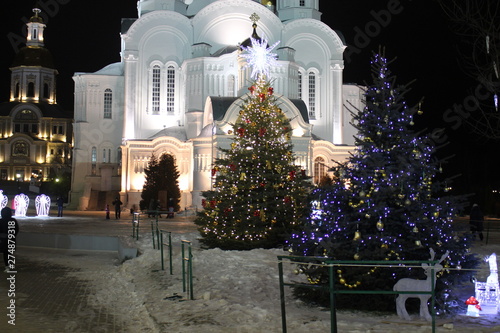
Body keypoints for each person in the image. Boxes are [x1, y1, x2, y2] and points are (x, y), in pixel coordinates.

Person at [0, 207, 19, 272]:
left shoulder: (1, 221)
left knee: (4, 253)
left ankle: (7, 266)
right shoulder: (13, 220)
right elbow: (16, 230)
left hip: (2, 240)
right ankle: (8, 266)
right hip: (11, 240)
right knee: (9, 254)